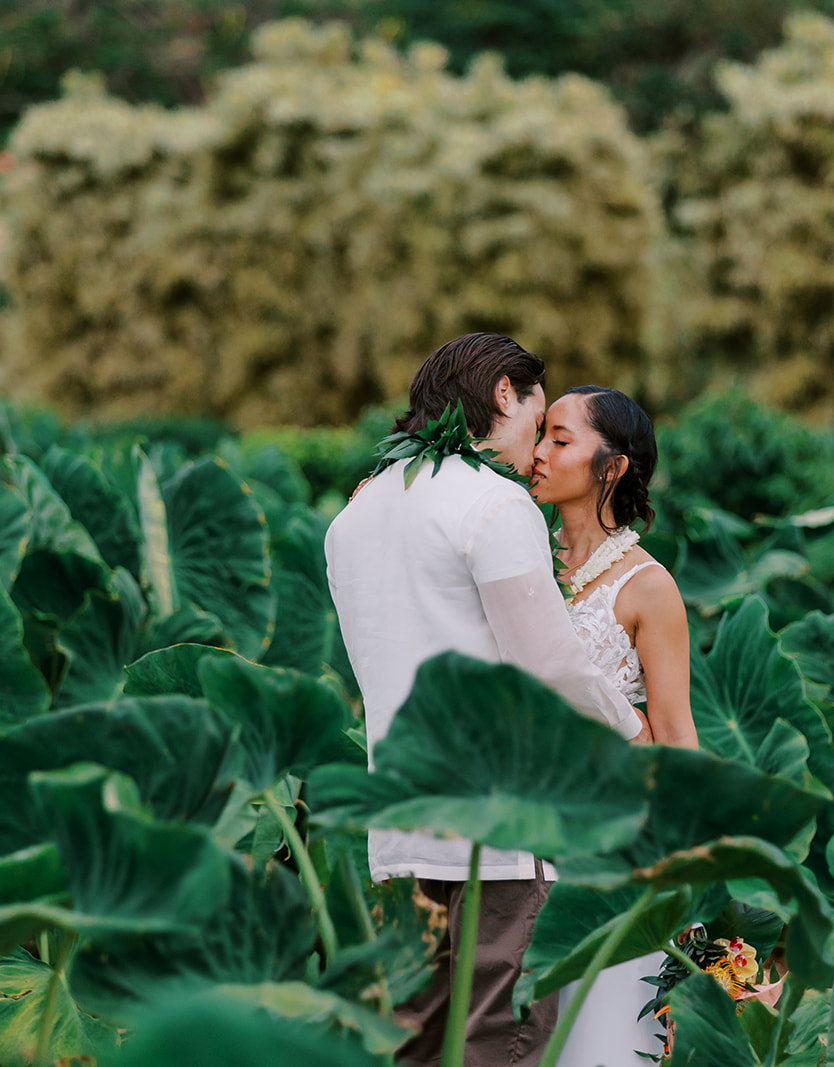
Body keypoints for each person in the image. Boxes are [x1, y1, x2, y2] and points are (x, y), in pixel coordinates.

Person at [324, 334, 647, 1067]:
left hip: (401, 828)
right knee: (502, 1045)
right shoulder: (494, 504)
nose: (536, 444)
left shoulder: (355, 516)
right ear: (505, 392)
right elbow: (547, 663)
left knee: (414, 1043)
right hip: (499, 828)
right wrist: (631, 727)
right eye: (538, 413)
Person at [530, 385, 699, 1066]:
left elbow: (676, 735)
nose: (538, 453)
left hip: (613, 845)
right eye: (540, 435)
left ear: (613, 466)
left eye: (560, 439)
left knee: (598, 1042)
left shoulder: (648, 587)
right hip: (515, 837)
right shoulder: (520, 565)